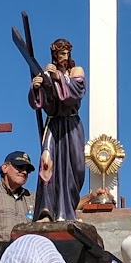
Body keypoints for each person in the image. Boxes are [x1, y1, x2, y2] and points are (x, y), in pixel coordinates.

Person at [29, 38, 86, 221]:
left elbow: (77, 92)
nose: (64, 57)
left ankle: (67, 210)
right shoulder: (47, 72)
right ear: (54, 55)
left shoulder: (76, 71)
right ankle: (47, 209)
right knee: (48, 164)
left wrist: (58, 78)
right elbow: (40, 102)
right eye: (60, 54)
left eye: (66, 53)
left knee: (74, 167)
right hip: (53, 125)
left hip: (72, 126)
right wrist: (37, 87)